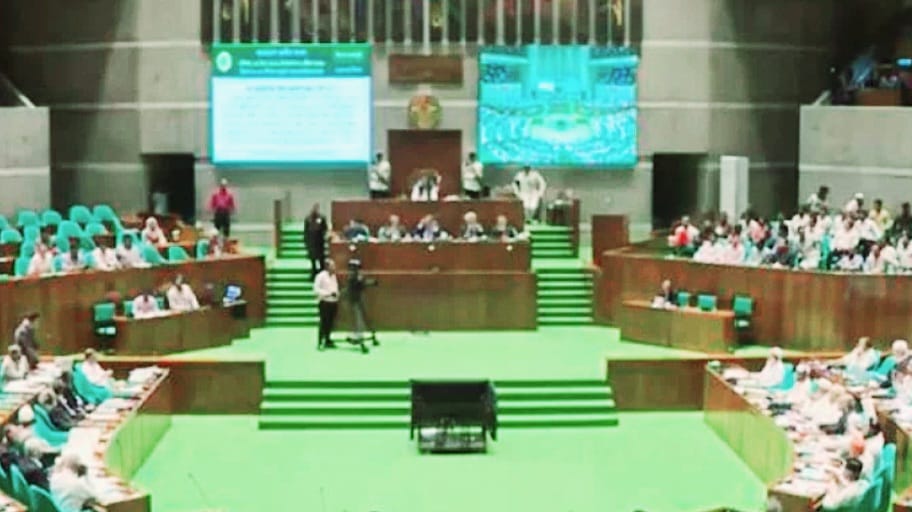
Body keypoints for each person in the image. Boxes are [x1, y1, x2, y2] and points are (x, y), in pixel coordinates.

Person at [314, 259, 339, 350]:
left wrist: (337, 294)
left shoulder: (334, 276)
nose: (334, 267)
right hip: (324, 302)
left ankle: (328, 340)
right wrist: (328, 294)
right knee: (323, 322)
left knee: (330, 323)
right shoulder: (320, 276)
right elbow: (316, 290)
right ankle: (320, 342)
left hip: (333, 302)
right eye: (332, 266)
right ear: (327, 267)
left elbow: (335, 288)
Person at [304, 203, 328, 281]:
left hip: (319, 243)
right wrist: (306, 242)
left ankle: (323, 276)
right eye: (314, 208)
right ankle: (313, 275)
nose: (315, 210)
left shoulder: (322, 218)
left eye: (316, 208)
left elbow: (325, 228)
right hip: (311, 243)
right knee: (313, 261)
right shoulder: (308, 219)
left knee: (321, 261)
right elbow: (306, 231)